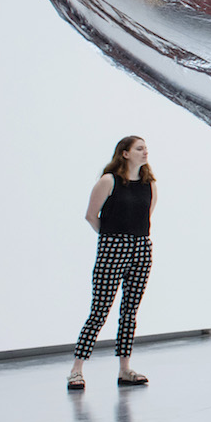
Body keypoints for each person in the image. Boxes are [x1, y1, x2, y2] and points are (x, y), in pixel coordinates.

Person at [67, 136, 157, 390]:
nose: (145, 152)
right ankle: (76, 370)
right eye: (139, 148)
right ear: (125, 153)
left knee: (130, 312)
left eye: (145, 148)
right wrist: (111, 239)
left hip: (141, 249)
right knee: (99, 311)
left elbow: (145, 218)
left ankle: (125, 369)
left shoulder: (150, 185)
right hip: (112, 248)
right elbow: (91, 216)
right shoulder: (109, 181)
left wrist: (130, 241)